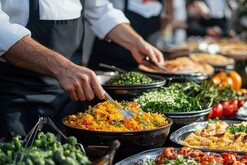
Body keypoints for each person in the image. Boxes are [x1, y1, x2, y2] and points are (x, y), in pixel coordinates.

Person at [0, 0, 164, 139]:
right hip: (18, 101)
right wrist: (61, 67)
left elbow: (100, 10)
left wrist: (136, 43)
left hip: (70, 100)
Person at [88, 0, 171, 71]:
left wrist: (138, 44)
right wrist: (137, 43)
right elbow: (101, 12)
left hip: (141, 65)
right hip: (108, 65)